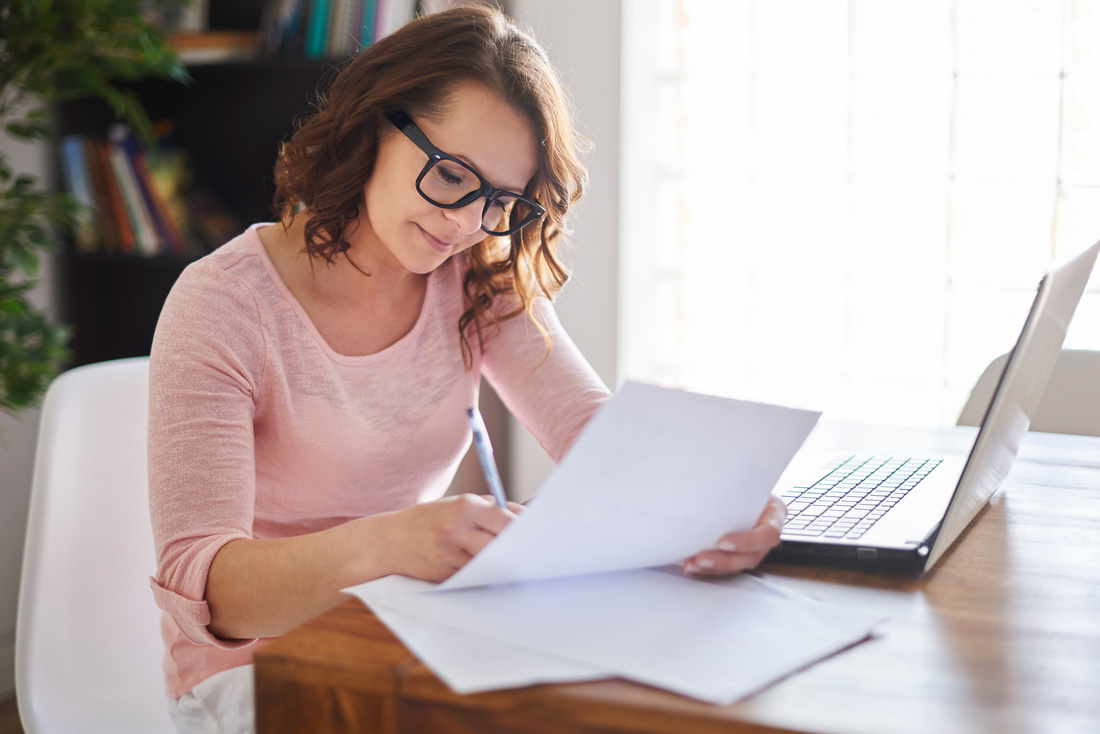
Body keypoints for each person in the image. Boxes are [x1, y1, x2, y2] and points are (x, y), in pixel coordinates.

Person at [148, 6, 788, 733]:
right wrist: (388, 543)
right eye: (452, 176)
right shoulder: (224, 303)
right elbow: (207, 592)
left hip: (419, 633)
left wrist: (726, 502)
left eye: (500, 202)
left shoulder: (476, 278)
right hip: (261, 670)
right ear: (373, 125)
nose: (464, 223)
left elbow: (598, 437)